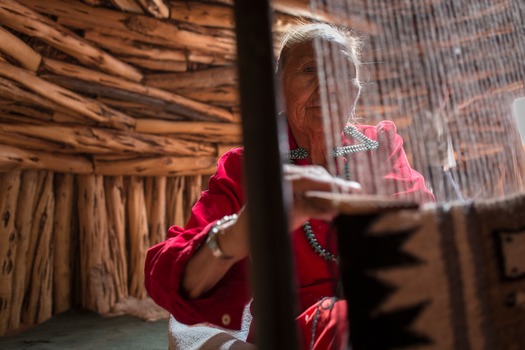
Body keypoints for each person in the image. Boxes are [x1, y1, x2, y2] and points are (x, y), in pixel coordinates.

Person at [145, 23, 435, 350]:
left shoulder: (379, 145)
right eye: (310, 69)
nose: (328, 87)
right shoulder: (250, 167)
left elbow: (421, 228)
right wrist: (242, 230)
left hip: (380, 315)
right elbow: (166, 276)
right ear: (280, 88)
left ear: (355, 90)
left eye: (342, 72)